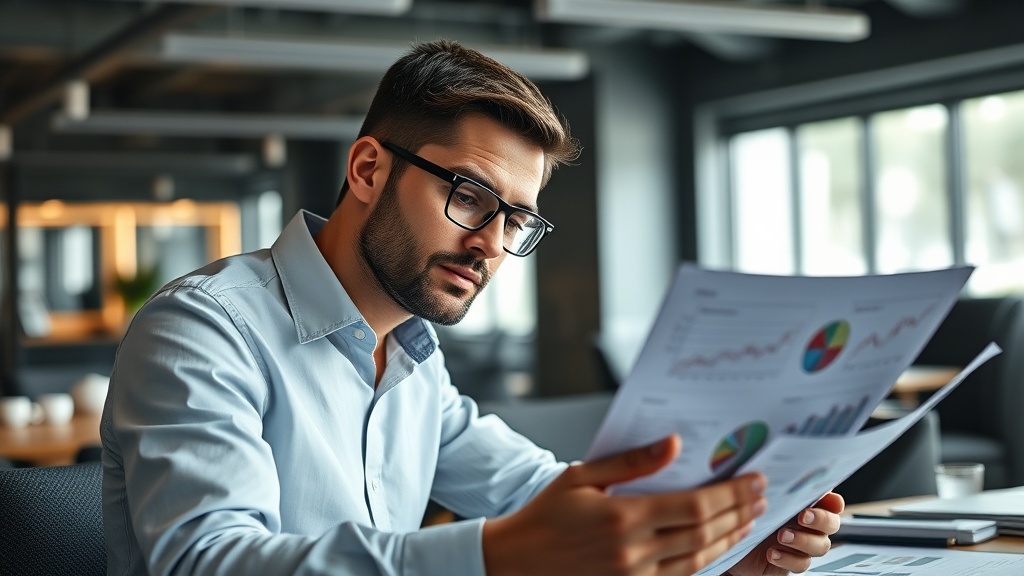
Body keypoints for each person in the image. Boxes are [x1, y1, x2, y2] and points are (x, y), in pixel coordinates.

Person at [100, 39, 843, 576]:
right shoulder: (201, 330)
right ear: (368, 170)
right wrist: (492, 553)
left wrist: (726, 539)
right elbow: (210, 562)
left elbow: (543, 492)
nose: (491, 243)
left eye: (515, 219)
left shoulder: (414, 362)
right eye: (469, 197)